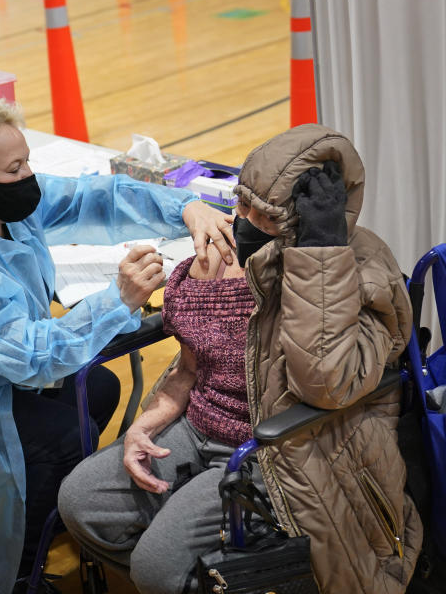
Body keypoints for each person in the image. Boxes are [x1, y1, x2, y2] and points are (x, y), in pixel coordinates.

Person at [0, 93, 235, 594]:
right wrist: (117, 300)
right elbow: (28, 357)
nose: (29, 176)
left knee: (96, 390)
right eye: (15, 168)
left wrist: (187, 206)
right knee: (69, 432)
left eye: (27, 160)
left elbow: (95, 198)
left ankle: (52, 507)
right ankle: (22, 573)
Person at [58, 125, 420, 594]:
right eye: (240, 201)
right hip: (198, 427)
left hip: (281, 449)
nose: (241, 219)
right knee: (82, 502)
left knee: (155, 568)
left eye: (262, 214)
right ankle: (212, 574)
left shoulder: (364, 270)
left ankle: (203, 569)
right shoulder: (222, 257)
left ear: (302, 220)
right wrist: (144, 426)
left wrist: (318, 262)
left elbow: (326, 384)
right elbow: (189, 368)